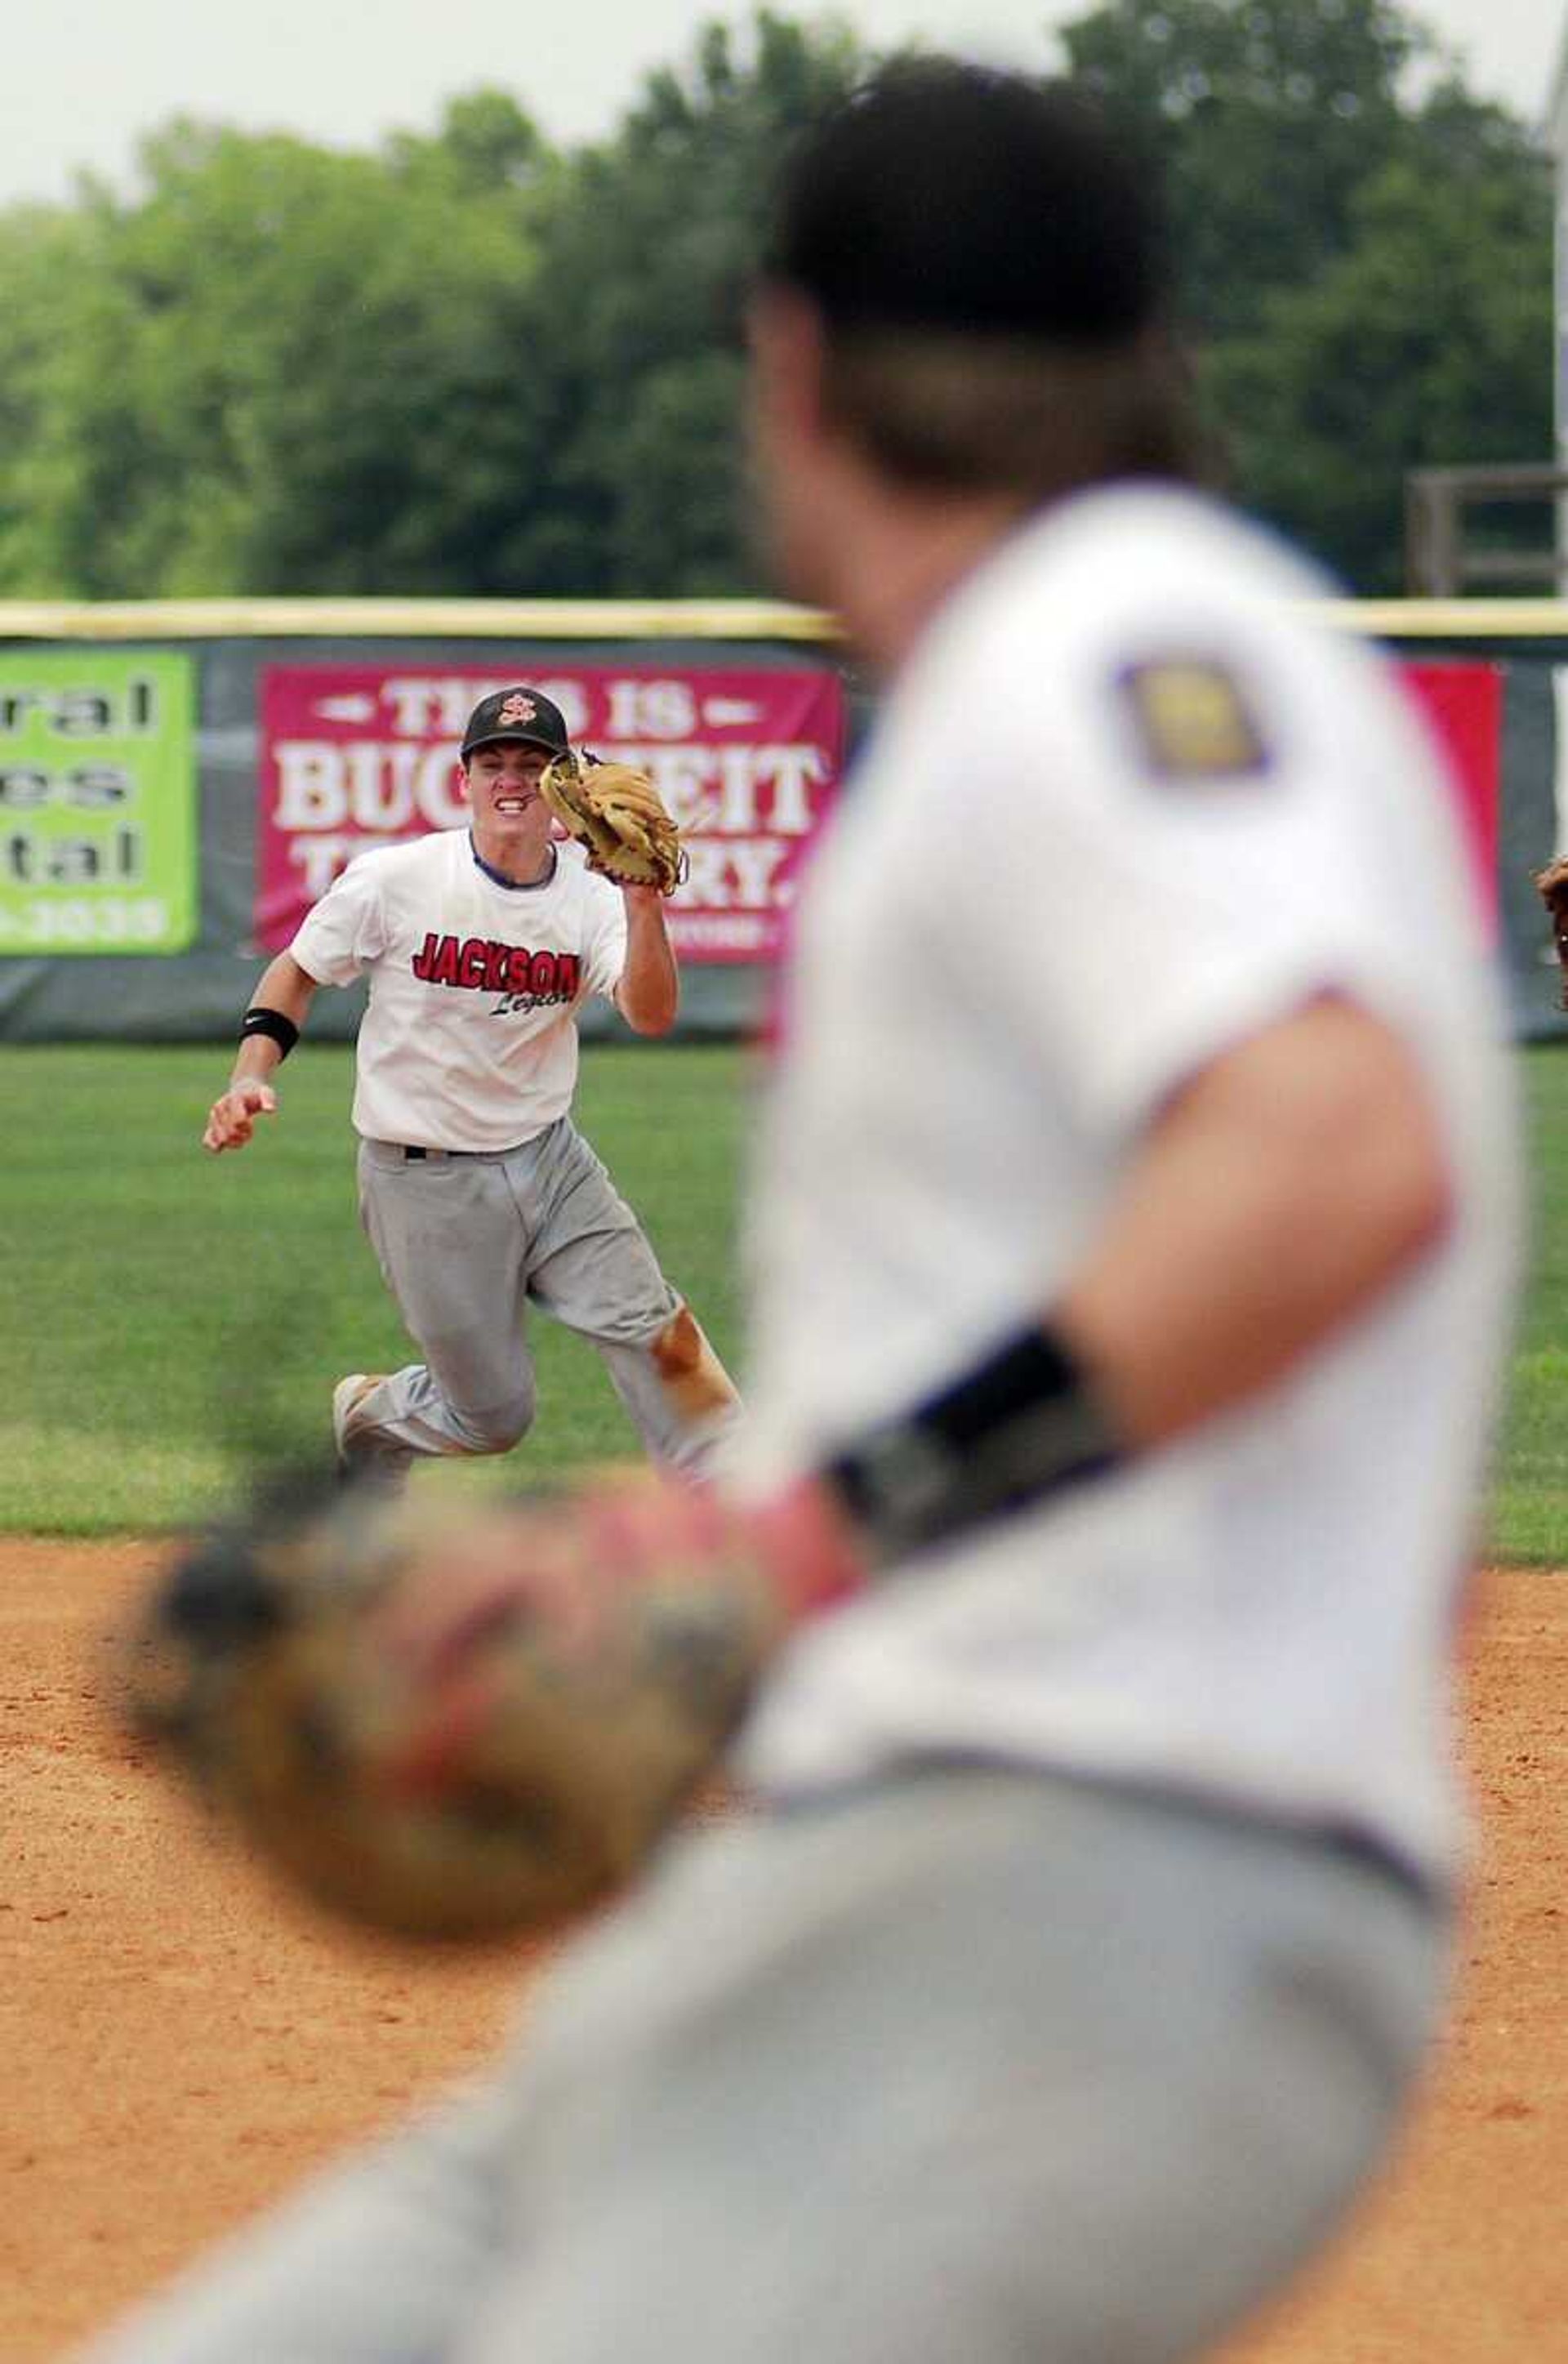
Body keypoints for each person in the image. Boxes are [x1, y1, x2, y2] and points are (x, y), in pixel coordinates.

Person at [86, 60, 1518, 2364]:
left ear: (791, 359)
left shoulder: (1107, 644)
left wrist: (790, 1537)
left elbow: (1335, 1151)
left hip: (1063, 1903)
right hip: (866, 1875)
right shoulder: (1080, 678)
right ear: (1154, 358)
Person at [200, 684, 742, 1486]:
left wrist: (643, 903)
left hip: (552, 1159)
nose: (512, 779)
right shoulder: (399, 878)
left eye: (533, 762)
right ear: (465, 779)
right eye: (493, 762)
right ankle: (369, 1414)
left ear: (564, 781)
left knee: (653, 1324)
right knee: (491, 1415)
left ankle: (744, 1495)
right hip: (423, 1176)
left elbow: (651, 1013)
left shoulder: (596, 900)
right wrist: (250, 1076)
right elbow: (296, 974)